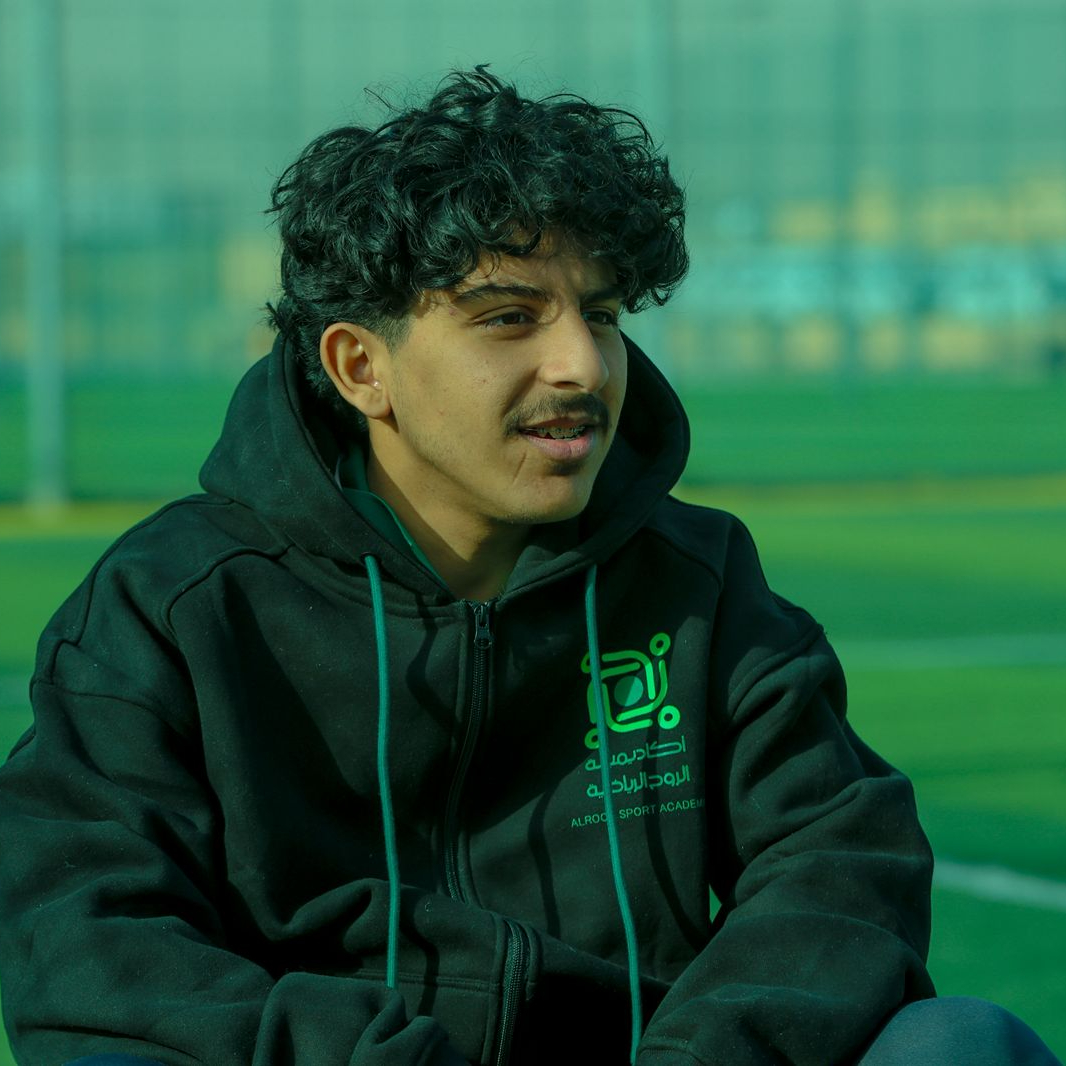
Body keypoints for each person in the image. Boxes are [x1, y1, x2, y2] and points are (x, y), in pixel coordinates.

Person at [0, 67, 1059, 1066]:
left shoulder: (698, 583)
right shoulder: (177, 603)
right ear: (361, 366)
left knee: (959, 1044)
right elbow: (83, 931)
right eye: (509, 318)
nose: (582, 363)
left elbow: (841, 865)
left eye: (600, 313)